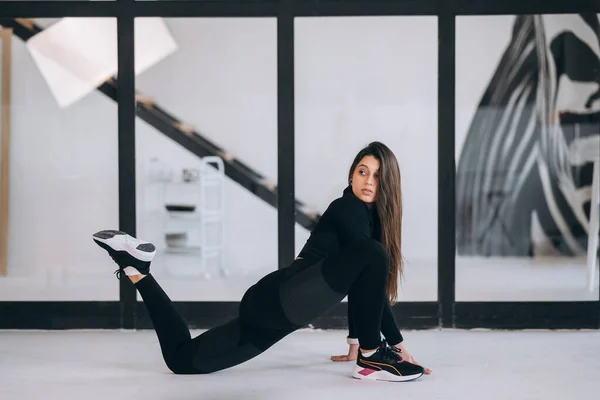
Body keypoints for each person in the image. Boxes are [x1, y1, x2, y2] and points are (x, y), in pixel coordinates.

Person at [92, 141, 429, 382]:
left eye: (376, 176)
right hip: (285, 297)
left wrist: (355, 342)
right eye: (362, 171)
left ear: (388, 183)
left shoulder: (367, 220)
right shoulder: (348, 209)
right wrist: (392, 346)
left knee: (183, 359)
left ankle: (137, 268)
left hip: (277, 308)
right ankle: (373, 357)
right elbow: (368, 272)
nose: (368, 181)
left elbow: (363, 286)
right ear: (351, 175)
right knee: (374, 255)